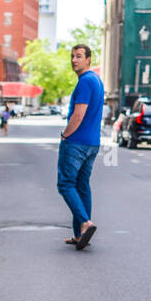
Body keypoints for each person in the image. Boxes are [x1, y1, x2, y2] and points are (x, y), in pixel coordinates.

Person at [58, 43, 104, 251]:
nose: (74, 60)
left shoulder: (85, 81)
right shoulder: (96, 80)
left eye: (79, 56)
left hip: (76, 143)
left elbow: (78, 115)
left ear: (88, 60)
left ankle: (85, 223)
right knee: (82, 185)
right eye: (72, 56)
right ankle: (80, 235)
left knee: (66, 184)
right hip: (92, 143)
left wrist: (65, 135)